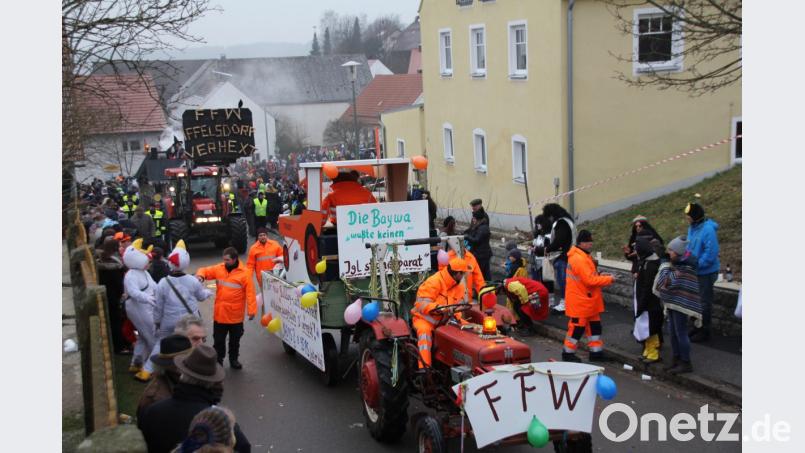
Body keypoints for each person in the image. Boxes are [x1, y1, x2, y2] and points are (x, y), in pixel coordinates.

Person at [139, 345, 251, 453]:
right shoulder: (218, 422)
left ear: (182, 373)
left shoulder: (153, 410)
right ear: (212, 382)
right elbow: (244, 447)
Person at [153, 240, 212, 367]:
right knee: (193, 345)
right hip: (189, 321)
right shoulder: (193, 281)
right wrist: (207, 292)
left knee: (162, 344)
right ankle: (191, 367)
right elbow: (201, 297)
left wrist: (157, 321)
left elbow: (158, 305)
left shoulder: (163, 283)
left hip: (169, 320)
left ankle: (151, 369)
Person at [196, 248, 257, 370]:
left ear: (234, 259)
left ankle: (233, 359)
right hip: (220, 315)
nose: (224, 262)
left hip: (235, 316)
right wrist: (201, 276)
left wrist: (251, 311)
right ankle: (218, 360)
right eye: (223, 259)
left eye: (227, 260)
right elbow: (205, 270)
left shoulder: (244, 273)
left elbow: (250, 293)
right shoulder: (219, 268)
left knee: (235, 341)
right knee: (218, 340)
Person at [562, 230, 616, 362]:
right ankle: (568, 353)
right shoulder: (579, 259)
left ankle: (596, 353)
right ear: (582, 243)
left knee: (594, 327)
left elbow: (588, 277)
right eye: (589, 242)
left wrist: (600, 276)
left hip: (586, 300)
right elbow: (589, 281)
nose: (591, 244)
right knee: (576, 328)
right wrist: (609, 279)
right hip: (581, 300)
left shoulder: (582, 256)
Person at [411, 257, 471, 367]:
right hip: (424, 319)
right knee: (424, 334)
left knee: (472, 329)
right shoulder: (434, 281)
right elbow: (421, 305)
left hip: (447, 320)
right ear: (457, 273)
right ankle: (424, 369)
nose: (464, 277)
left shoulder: (459, 287)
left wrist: (457, 320)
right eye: (463, 274)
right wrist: (440, 308)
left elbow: (457, 308)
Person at [656, 236, 702, 374]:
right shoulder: (678, 263)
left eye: (671, 251)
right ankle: (676, 359)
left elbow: (666, 281)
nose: (668, 253)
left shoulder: (685, 268)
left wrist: (664, 263)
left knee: (680, 332)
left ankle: (686, 362)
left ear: (677, 252)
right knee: (672, 331)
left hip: (681, 303)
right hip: (673, 301)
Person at [122, 239, 159, 381]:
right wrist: (147, 298)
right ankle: (149, 369)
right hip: (138, 308)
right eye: (148, 262)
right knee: (152, 337)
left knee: (143, 337)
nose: (149, 265)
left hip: (146, 306)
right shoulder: (131, 275)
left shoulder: (144, 273)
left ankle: (136, 363)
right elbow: (133, 292)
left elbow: (154, 286)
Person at [684, 202, 720, 343]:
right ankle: (696, 326)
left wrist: (697, 265)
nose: (686, 219)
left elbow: (711, 253)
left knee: (704, 303)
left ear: (695, 217)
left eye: (688, 216)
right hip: (694, 270)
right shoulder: (692, 228)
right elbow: (689, 247)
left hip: (705, 272)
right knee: (695, 301)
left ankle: (705, 331)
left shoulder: (708, 230)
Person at [136, 334, 193, 422]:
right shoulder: (156, 398)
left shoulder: (181, 379)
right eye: (185, 361)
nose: (190, 364)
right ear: (170, 365)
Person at [96, 237, 131, 354]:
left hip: (104, 295)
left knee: (110, 322)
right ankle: (119, 347)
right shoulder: (115, 265)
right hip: (114, 298)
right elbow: (119, 284)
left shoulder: (98, 261)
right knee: (116, 323)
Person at [633, 236, 663, 363]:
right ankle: (648, 350)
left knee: (650, 328)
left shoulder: (650, 265)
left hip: (649, 304)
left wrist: (641, 304)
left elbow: (647, 287)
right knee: (646, 328)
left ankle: (653, 353)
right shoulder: (646, 262)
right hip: (645, 303)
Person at [542, 203, 576, 313]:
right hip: (568, 255)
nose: (550, 220)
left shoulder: (561, 223)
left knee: (563, 282)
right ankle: (566, 302)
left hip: (564, 257)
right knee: (565, 281)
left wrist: (548, 248)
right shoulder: (567, 221)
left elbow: (559, 241)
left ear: (552, 215)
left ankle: (564, 303)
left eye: (549, 217)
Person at [463, 209, 492, 281]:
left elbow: (476, 240)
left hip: (482, 255)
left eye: (474, 218)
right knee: (485, 273)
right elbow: (472, 232)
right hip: (482, 254)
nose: (473, 220)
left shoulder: (483, 228)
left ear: (477, 219)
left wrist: (467, 237)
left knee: (481, 273)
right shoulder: (480, 226)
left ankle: (484, 287)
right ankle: (488, 287)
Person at [529, 215, 551, 282]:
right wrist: (531, 247)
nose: (538, 225)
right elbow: (534, 245)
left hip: (544, 262)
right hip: (536, 262)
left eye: (539, 223)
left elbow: (548, 249)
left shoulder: (548, 236)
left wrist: (535, 249)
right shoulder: (537, 235)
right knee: (535, 280)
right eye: (537, 223)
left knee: (545, 281)